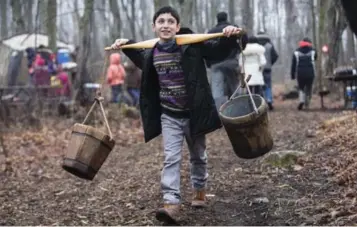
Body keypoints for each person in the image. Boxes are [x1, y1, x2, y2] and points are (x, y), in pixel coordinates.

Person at [110, 6, 247, 224]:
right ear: (154, 27)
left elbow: (219, 49)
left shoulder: (192, 46)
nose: (165, 25)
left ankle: (199, 189)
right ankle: (171, 201)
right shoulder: (150, 52)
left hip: (194, 113)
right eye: (161, 21)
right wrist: (125, 44)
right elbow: (136, 54)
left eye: (170, 21)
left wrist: (233, 36)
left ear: (177, 26)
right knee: (171, 157)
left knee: (198, 156)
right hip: (170, 115)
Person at [206, 12, 247, 109]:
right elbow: (244, 40)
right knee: (235, 88)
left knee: (217, 92)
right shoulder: (233, 29)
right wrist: (238, 50)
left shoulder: (211, 32)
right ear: (226, 17)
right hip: (232, 63)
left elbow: (206, 49)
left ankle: (220, 115)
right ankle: (238, 112)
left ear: (217, 19)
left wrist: (209, 64)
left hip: (216, 65)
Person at [291, 37, 317, 110]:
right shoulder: (313, 51)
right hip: (310, 72)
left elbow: (293, 64)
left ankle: (301, 100)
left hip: (300, 72)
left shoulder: (296, 52)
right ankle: (307, 100)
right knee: (309, 87)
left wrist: (292, 75)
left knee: (301, 87)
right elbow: (315, 58)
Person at [256, 31, 279, 110]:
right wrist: (269, 63)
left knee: (259, 86)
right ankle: (269, 99)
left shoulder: (256, 45)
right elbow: (275, 56)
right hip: (267, 68)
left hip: (258, 69)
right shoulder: (269, 45)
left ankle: (261, 103)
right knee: (268, 85)